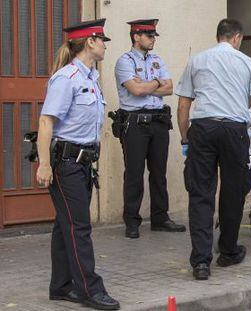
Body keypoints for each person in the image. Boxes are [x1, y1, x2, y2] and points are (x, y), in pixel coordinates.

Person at [176, 18, 251, 281]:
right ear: (237, 37)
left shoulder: (197, 60)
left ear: (218, 36)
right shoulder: (246, 63)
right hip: (233, 131)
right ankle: (228, 251)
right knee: (232, 192)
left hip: (203, 129)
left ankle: (201, 262)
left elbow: (183, 107)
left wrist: (186, 140)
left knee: (200, 195)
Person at [36, 19, 120, 310]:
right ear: (90, 42)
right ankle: (90, 289)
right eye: (103, 40)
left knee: (65, 225)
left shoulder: (91, 78)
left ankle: (60, 286)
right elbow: (47, 122)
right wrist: (44, 164)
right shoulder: (67, 78)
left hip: (83, 163)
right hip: (66, 163)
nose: (106, 45)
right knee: (79, 226)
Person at [115, 19, 186, 239]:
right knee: (134, 173)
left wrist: (149, 84)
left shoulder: (156, 59)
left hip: (158, 122)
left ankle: (160, 218)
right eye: (149, 35)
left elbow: (170, 87)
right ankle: (132, 221)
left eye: (154, 35)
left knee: (159, 173)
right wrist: (157, 83)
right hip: (135, 123)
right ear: (136, 37)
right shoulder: (124, 62)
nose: (153, 38)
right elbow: (135, 90)